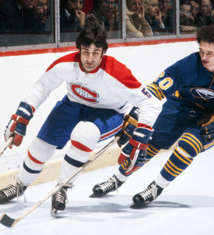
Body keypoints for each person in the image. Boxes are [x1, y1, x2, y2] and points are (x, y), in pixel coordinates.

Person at [0, 25, 162, 214]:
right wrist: (23, 113)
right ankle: (20, 185)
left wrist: (141, 136)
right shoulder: (66, 65)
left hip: (109, 112)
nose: (90, 59)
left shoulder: (116, 72)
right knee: (40, 146)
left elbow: (151, 103)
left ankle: (62, 187)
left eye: (96, 52)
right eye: (86, 52)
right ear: (79, 50)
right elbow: (42, 87)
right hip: (74, 103)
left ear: (103, 52)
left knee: (84, 134)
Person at [91, 25, 214, 208]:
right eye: (201, 51)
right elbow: (158, 87)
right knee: (150, 141)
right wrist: (139, 111)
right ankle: (118, 179)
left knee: (187, 145)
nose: (203, 57)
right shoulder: (189, 64)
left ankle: (156, 188)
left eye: (209, 53)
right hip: (182, 105)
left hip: (212, 116)